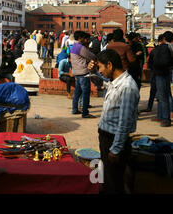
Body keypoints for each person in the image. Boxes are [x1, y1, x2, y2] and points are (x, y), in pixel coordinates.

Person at [88, 49, 139, 194]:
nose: (101, 71)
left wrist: (116, 149)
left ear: (109, 65)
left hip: (113, 140)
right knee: (107, 178)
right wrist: (94, 72)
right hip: (106, 137)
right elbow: (101, 83)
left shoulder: (127, 87)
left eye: (101, 67)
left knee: (114, 182)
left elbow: (124, 123)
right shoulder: (116, 82)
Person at [148, 31, 172, 127]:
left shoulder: (156, 49)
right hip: (167, 73)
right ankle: (163, 117)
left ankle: (164, 118)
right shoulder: (170, 48)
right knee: (166, 95)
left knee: (161, 96)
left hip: (157, 73)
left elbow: (150, 63)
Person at [70, 31, 96, 118]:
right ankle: (85, 112)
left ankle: (74, 109)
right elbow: (91, 56)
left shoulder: (74, 46)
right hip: (83, 72)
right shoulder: (80, 47)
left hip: (77, 72)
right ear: (80, 38)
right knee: (85, 92)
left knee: (77, 91)